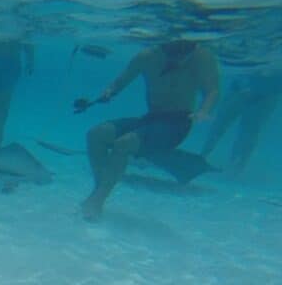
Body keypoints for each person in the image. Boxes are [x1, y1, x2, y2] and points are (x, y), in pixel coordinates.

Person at [76, 39, 220, 221]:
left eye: (185, 54)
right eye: (173, 54)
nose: (179, 60)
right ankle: (98, 192)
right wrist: (107, 94)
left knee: (123, 144)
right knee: (96, 134)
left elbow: (212, 90)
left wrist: (204, 111)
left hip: (178, 123)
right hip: (151, 119)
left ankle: (97, 201)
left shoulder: (202, 56)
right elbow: (121, 81)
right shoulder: (147, 57)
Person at [201, 68, 281, 174]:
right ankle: (203, 156)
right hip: (241, 87)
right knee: (221, 124)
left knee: (249, 132)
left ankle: (236, 167)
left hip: (265, 94)